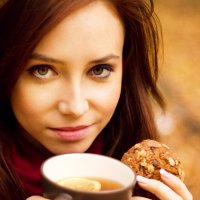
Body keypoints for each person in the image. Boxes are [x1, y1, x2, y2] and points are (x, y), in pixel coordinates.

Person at [0, 0, 192, 199]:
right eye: (42, 70)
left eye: (99, 70)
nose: (75, 107)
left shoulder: (146, 180)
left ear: (126, 71)